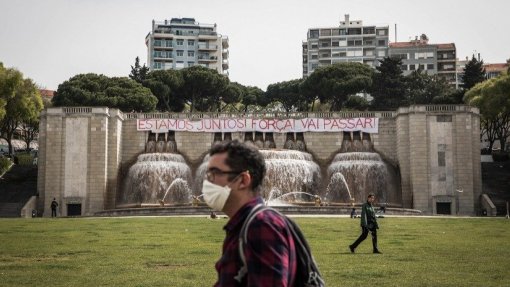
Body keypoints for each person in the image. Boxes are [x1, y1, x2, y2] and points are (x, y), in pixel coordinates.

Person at [203, 140, 297, 286]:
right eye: (208, 173)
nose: (208, 181)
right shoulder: (244, 225)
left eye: (215, 173)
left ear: (243, 180)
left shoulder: (261, 225)